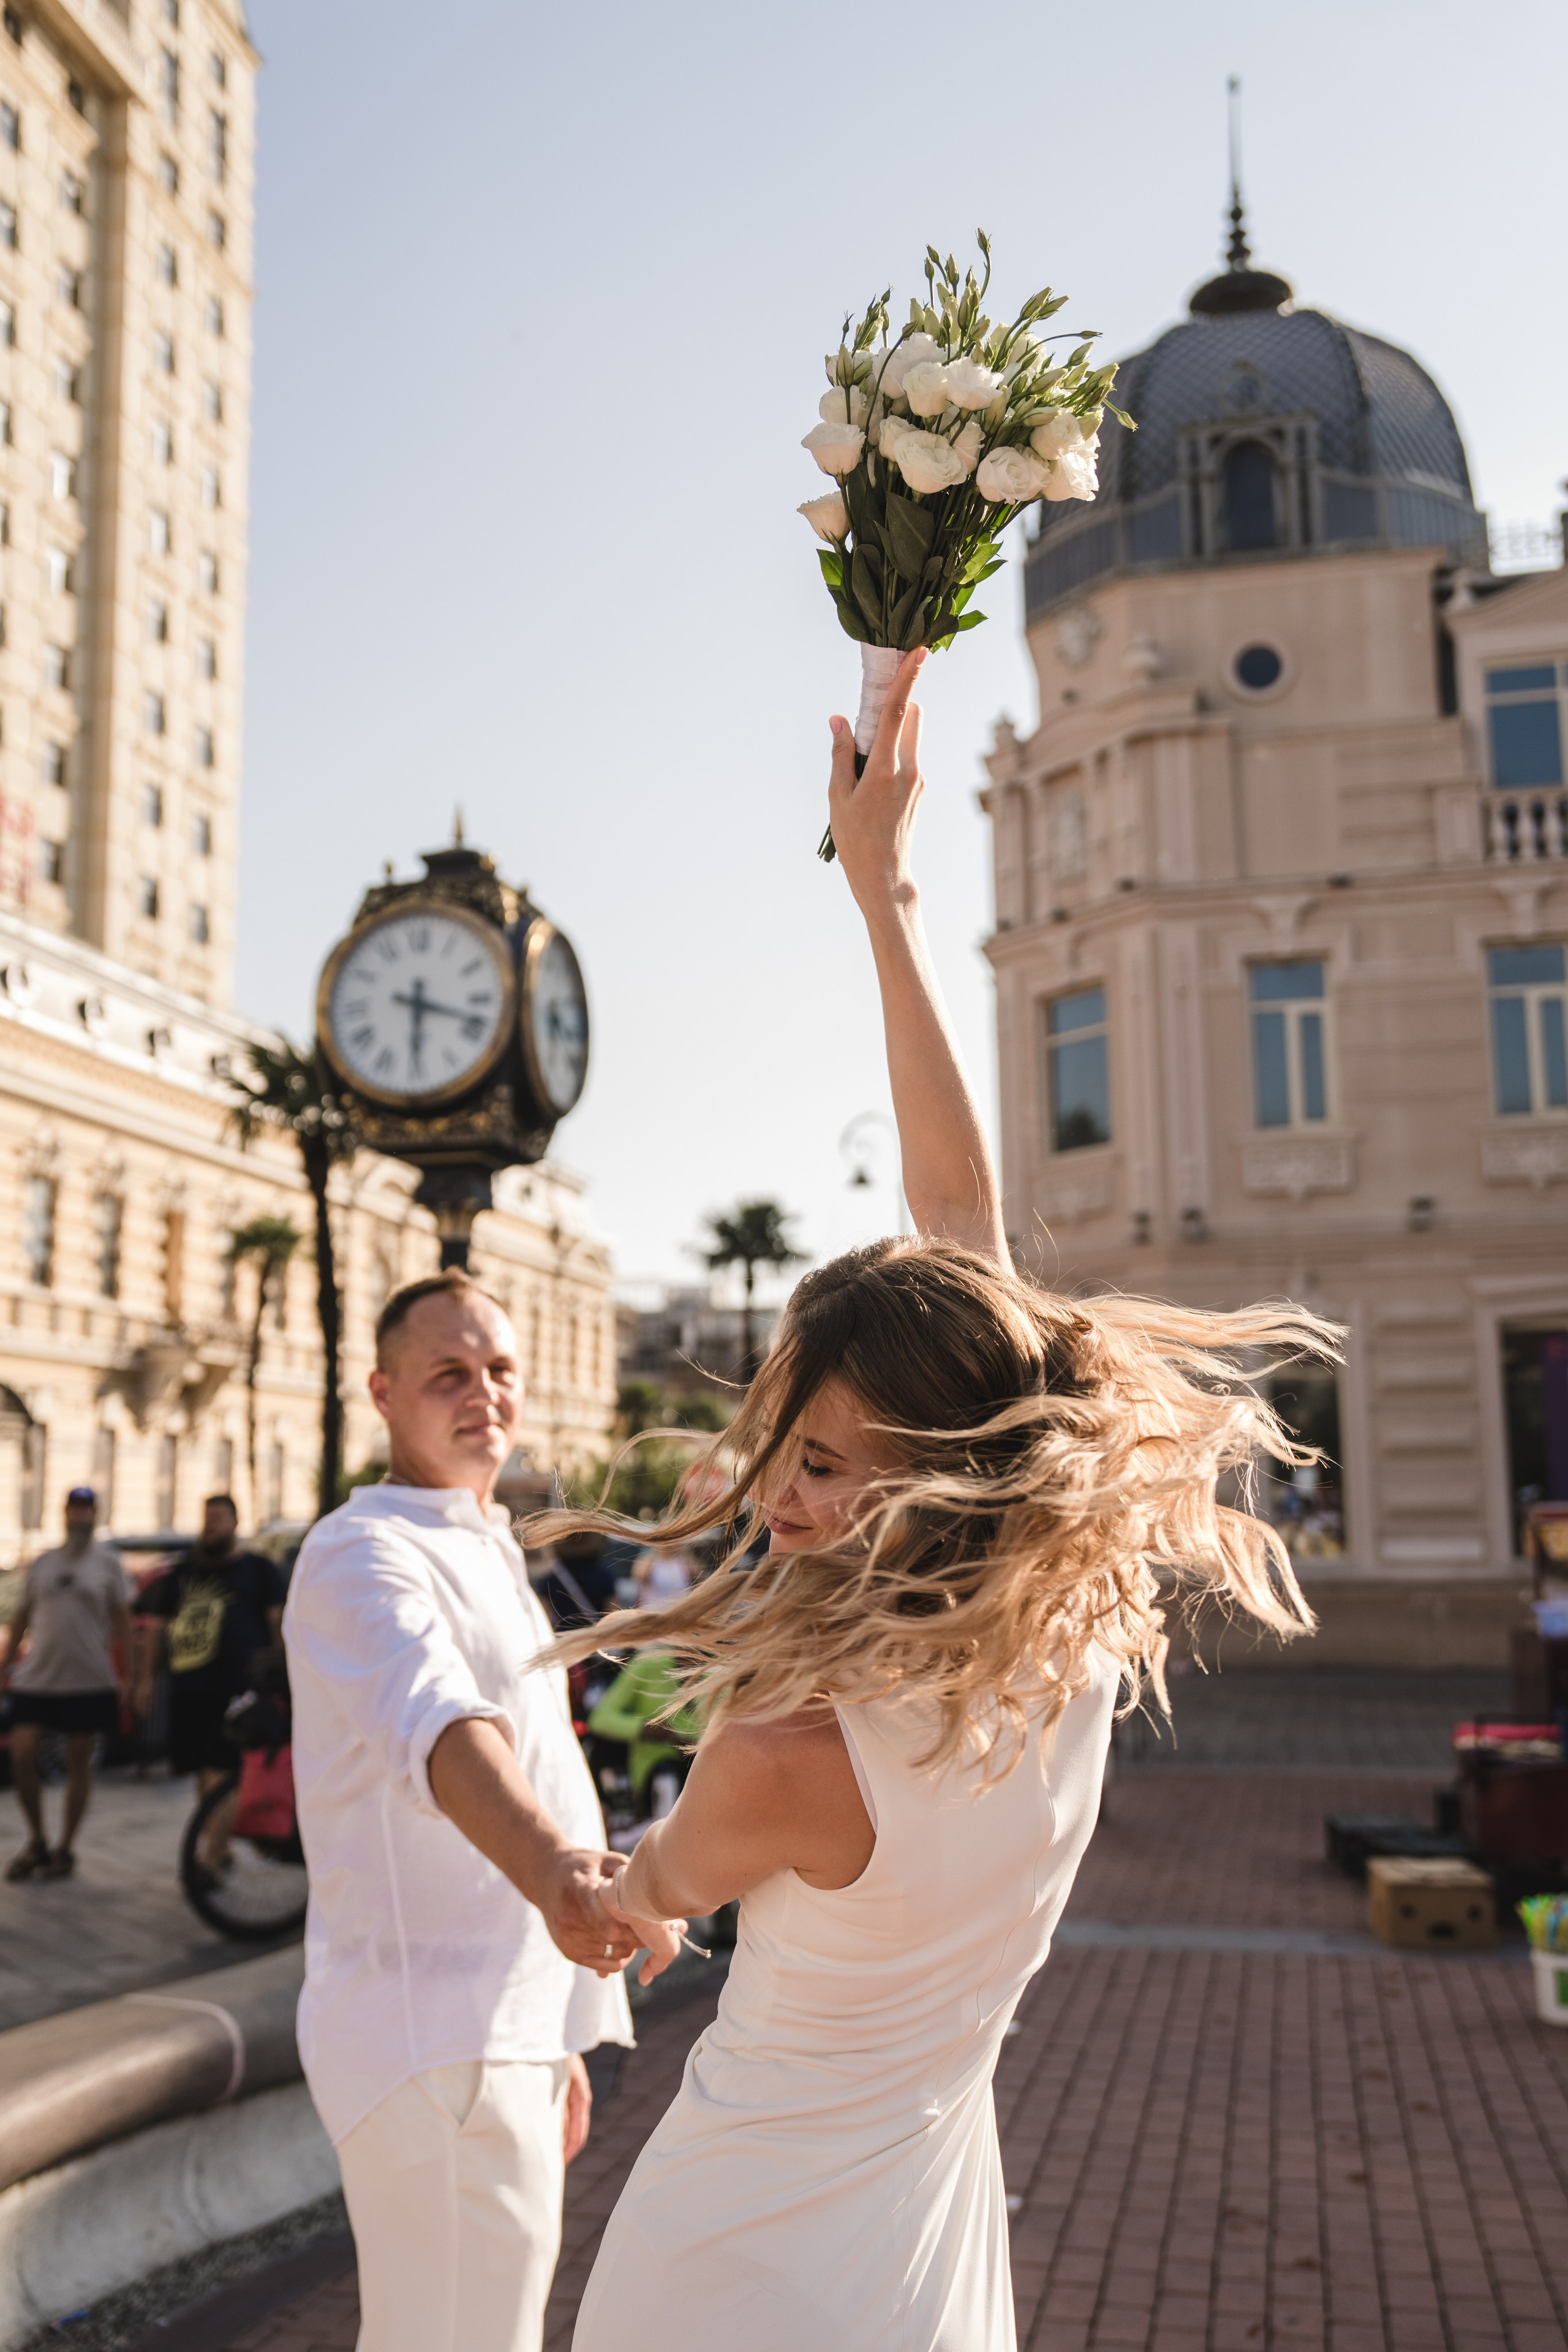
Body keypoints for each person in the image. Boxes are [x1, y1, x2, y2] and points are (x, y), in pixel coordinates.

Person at [540, 650, 1337, 2352]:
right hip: (918, 2228)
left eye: (822, 1464)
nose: (785, 1499)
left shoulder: (785, 1753)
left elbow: (635, 1908)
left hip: (733, 2254)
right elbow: (966, 1230)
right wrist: (886, 897)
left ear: (946, 1473)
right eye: (787, 1451)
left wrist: (595, 1895)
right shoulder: (1058, 1641)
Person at [283, 1272, 679, 2352]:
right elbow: (443, 1729)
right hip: (435, 2043)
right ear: (382, 1392)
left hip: (494, 2038)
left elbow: (539, 1764)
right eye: (448, 1374)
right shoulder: (363, 1552)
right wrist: (559, 1872)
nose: (484, 1394)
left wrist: (556, 2042)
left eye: (500, 1369)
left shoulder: (484, 1543)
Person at [133, 1495, 285, 1861]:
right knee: (202, 1771)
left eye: (219, 1518)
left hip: (240, 1689)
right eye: (207, 1518)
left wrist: (284, 1676)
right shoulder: (183, 1573)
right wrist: (145, 1680)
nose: (211, 1525)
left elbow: (278, 1623)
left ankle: (212, 1858)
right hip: (189, 1688)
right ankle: (222, 1842)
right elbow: (157, 1628)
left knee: (226, 1769)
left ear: (236, 1522)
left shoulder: (259, 1570)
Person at [1, 1487, 132, 1882]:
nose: (79, 1516)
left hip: (89, 1680)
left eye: (86, 1510)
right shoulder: (43, 1563)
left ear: (95, 1515)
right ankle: (37, 1839)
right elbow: (22, 1615)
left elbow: (125, 1625)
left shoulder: (110, 1564)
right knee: (22, 1754)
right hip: (38, 1678)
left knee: (79, 1762)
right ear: (65, 1514)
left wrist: (132, 1677)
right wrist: (6, 1665)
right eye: (74, 1509)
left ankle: (65, 1848)